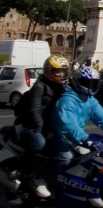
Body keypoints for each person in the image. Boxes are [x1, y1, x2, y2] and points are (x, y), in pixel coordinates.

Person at [51, 66, 103, 202]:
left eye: (93, 84)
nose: (90, 87)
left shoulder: (89, 99)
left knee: (99, 150)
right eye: (87, 83)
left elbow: (102, 118)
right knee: (67, 157)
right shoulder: (67, 100)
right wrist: (85, 139)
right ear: (78, 81)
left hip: (75, 136)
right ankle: (47, 181)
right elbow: (69, 126)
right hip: (60, 136)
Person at [2, 56, 69, 196]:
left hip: (48, 127)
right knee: (39, 143)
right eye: (58, 71)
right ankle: (16, 168)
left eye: (63, 71)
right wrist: (42, 129)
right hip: (29, 125)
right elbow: (34, 110)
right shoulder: (39, 87)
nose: (61, 75)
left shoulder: (63, 88)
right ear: (48, 71)